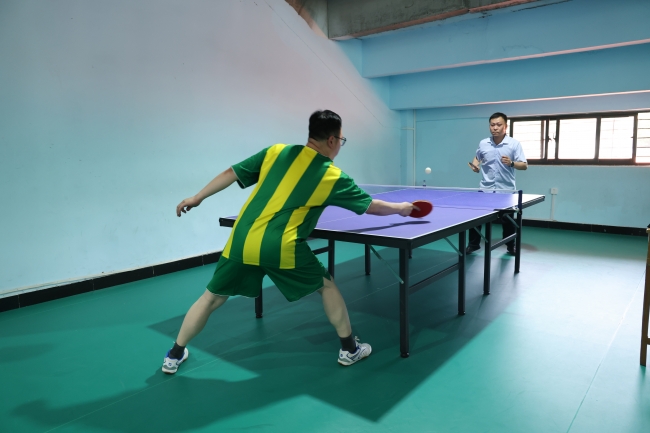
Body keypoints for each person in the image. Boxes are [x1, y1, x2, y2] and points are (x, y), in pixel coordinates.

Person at [162, 110, 414, 374]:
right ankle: (350, 349)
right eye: (342, 139)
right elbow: (371, 206)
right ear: (331, 140)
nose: (341, 144)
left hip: (242, 239)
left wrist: (197, 197)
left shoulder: (276, 151)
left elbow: (231, 172)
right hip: (281, 246)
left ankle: (174, 354)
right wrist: (401, 209)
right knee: (327, 287)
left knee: (211, 298)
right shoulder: (332, 176)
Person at [466, 112, 527, 255]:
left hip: (506, 190)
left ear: (505, 126)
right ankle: (473, 244)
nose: (495, 128)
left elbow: (524, 165)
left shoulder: (514, 144)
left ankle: (510, 246)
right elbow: (477, 157)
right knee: (475, 218)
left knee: (508, 221)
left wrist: (511, 163)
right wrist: (475, 166)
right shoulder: (483, 143)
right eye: (492, 125)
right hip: (485, 189)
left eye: (499, 125)